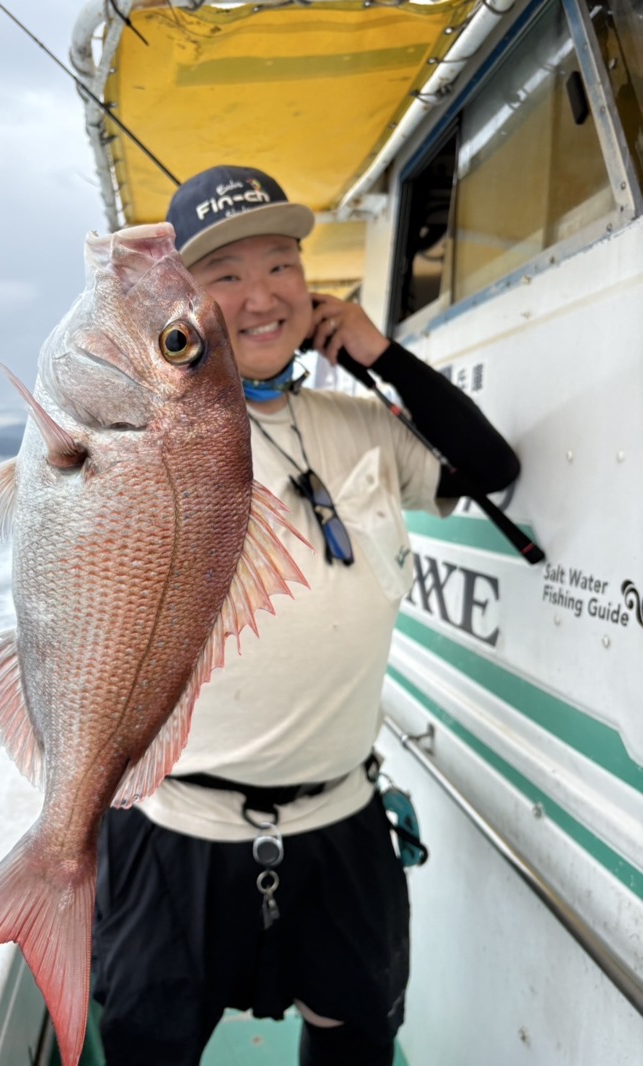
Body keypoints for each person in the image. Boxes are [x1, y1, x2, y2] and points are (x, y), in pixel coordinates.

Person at [91, 166, 520, 1065]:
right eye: (225, 274)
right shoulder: (150, 440)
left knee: (354, 1040)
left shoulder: (363, 425)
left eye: (281, 265)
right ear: (183, 300)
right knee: (146, 1045)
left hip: (343, 820)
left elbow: (491, 469)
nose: (262, 295)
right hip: (177, 829)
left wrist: (381, 356)